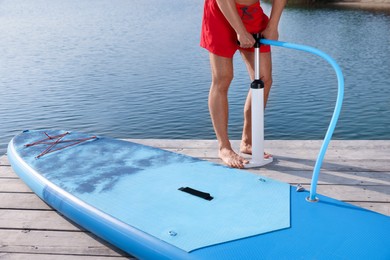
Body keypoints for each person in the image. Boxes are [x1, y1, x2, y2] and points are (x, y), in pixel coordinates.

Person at [200, 0, 286, 168]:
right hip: (220, 13)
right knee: (223, 78)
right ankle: (224, 147)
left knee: (263, 79)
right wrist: (240, 30)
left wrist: (272, 25)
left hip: (251, 13)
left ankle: (247, 141)